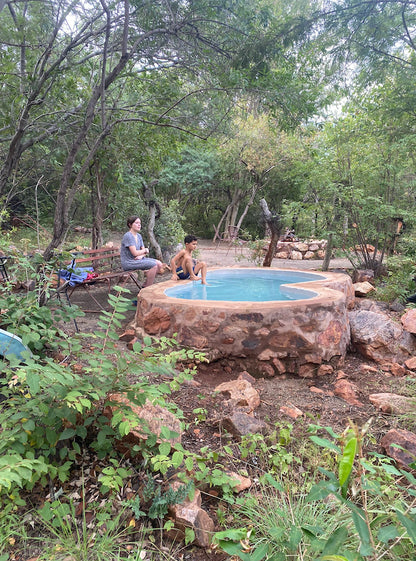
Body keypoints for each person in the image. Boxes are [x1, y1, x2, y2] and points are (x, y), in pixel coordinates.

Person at [120, 216, 168, 287]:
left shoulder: (139, 236)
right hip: (129, 262)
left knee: (159, 264)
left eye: (140, 223)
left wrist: (141, 255)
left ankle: (145, 284)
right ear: (130, 225)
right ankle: (148, 287)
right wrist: (145, 250)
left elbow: (144, 252)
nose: (139, 225)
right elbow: (135, 253)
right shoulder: (128, 236)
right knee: (153, 265)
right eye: (136, 223)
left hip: (139, 259)